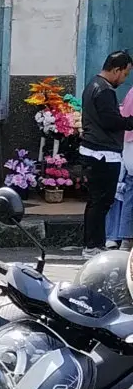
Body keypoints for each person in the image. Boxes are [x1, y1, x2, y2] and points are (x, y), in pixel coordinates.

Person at [82, 50, 133, 257]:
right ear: (116, 70)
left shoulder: (93, 85)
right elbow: (110, 121)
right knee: (101, 201)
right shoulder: (104, 91)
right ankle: (93, 245)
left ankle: (93, 244)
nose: (124, 79)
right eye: (125, 74)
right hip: (102, 153)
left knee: (97, 201)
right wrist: (129, 122)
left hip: (94, 150)